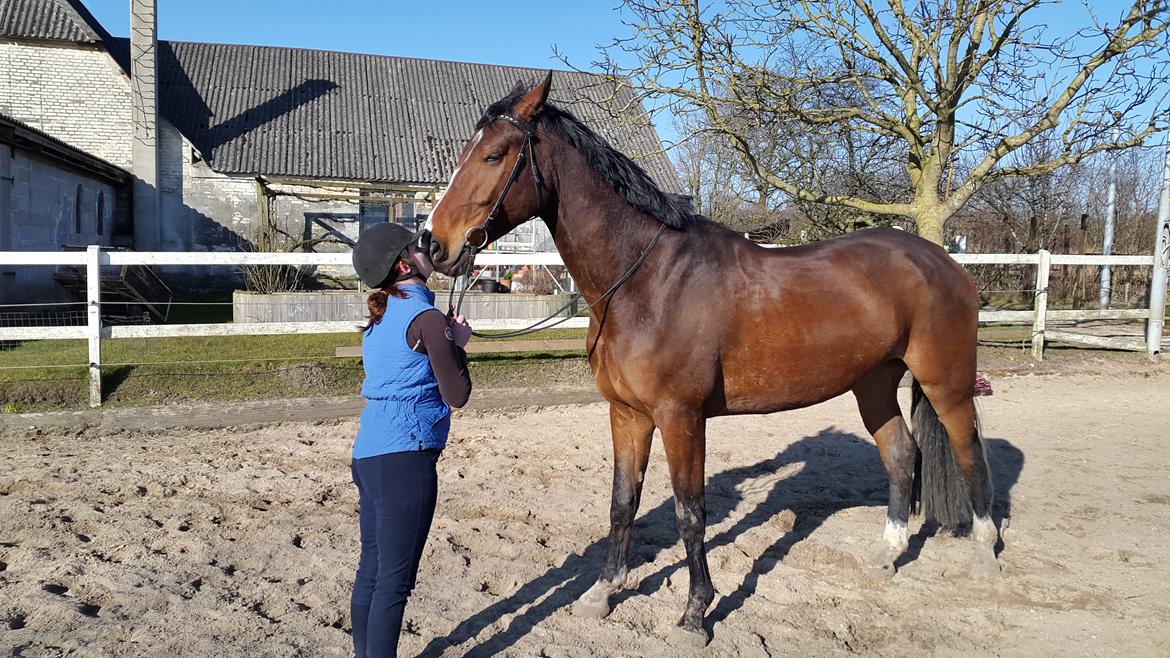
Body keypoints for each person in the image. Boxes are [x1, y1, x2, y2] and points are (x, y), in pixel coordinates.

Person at [349, 223, 473, 658]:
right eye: (419, 247)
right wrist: (457, 344)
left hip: (368, 455)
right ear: (404, 264)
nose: (428, 250)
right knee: (395, 582)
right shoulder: (428, 319)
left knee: (373, 571)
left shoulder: (380, 320)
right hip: (406, 456)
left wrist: (446, 339)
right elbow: (456, 395)